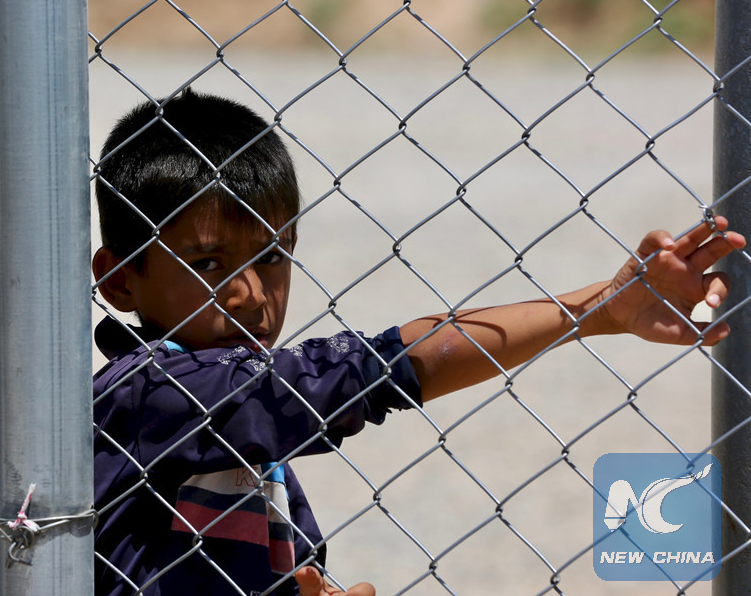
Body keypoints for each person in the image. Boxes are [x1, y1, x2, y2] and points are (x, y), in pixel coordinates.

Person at [91, 88, 745, 596]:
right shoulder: (146, 395)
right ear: (120, 281)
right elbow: (371, 371)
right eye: (208, 264)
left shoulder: (241, 428)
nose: (249, 293)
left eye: (271, 256)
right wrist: (595, 309)